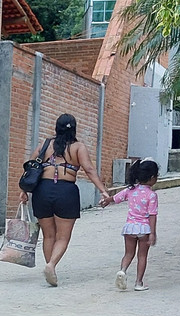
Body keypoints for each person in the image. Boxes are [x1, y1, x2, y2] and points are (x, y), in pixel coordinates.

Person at [19, 113, 113, 287]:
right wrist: (103, 191)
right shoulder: (78, 147)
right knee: (62, 237)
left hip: (42, 191)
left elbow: (30, 166)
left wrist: (24, 191)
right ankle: (51, 265)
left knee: (48, 235)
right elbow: (89, 170)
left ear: (57, 128)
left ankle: (50, 267)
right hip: (66, 192)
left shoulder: (45, 144)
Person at [108, 158, 159, 292]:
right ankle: (138, 282)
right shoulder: (152, 195)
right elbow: (152, 215)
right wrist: (153, 233)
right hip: (144, 228)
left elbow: (115, 198)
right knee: (142, 256)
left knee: (128, 254)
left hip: (129, 228)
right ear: (152, 177)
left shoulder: (130, 190)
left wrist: (107, 200)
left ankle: (122, 271)